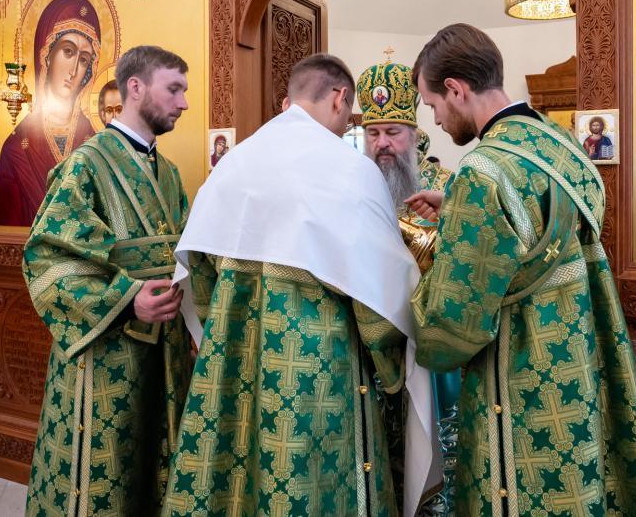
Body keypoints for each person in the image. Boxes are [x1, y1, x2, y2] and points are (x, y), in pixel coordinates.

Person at [406, 24, 636, 515]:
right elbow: (544, 225)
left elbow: (453, 322)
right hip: (580, 346)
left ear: (456, 89)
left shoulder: (481, 172)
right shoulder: (560, 144)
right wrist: (457, 211)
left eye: (433, 104)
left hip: (521, 369)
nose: (436, 120)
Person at [164, 54, 439, 516]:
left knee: (238, 472)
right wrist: (393, 368)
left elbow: (199, 269)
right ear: (339, 98)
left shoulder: (235, 162)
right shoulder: (349, 170)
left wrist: (230, 333)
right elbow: (380, 307)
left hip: (236, 360)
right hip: (317, 376)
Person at [23, 45, 195, 515]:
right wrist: (127, 298)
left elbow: (186, 254)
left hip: (164, 352)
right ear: (135, 88)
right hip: (105, 354)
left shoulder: (169, 173)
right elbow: (48, 258)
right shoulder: (86, 164)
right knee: (108, 473)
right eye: (174, 89)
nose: (183, 103)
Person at [357, 57, 458, 515]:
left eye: (393, 132)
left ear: (414, 134)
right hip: (374, 353)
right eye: (373, 133)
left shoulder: (448, 187)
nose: (382, 144)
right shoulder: (355, 190)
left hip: (431, 352)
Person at [0, 0, 101, 226]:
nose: (74, 70)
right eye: (68, 51)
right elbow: (6, 232)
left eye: (84, 59)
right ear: (46, 55)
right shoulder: (16, 148)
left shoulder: (95, 144)